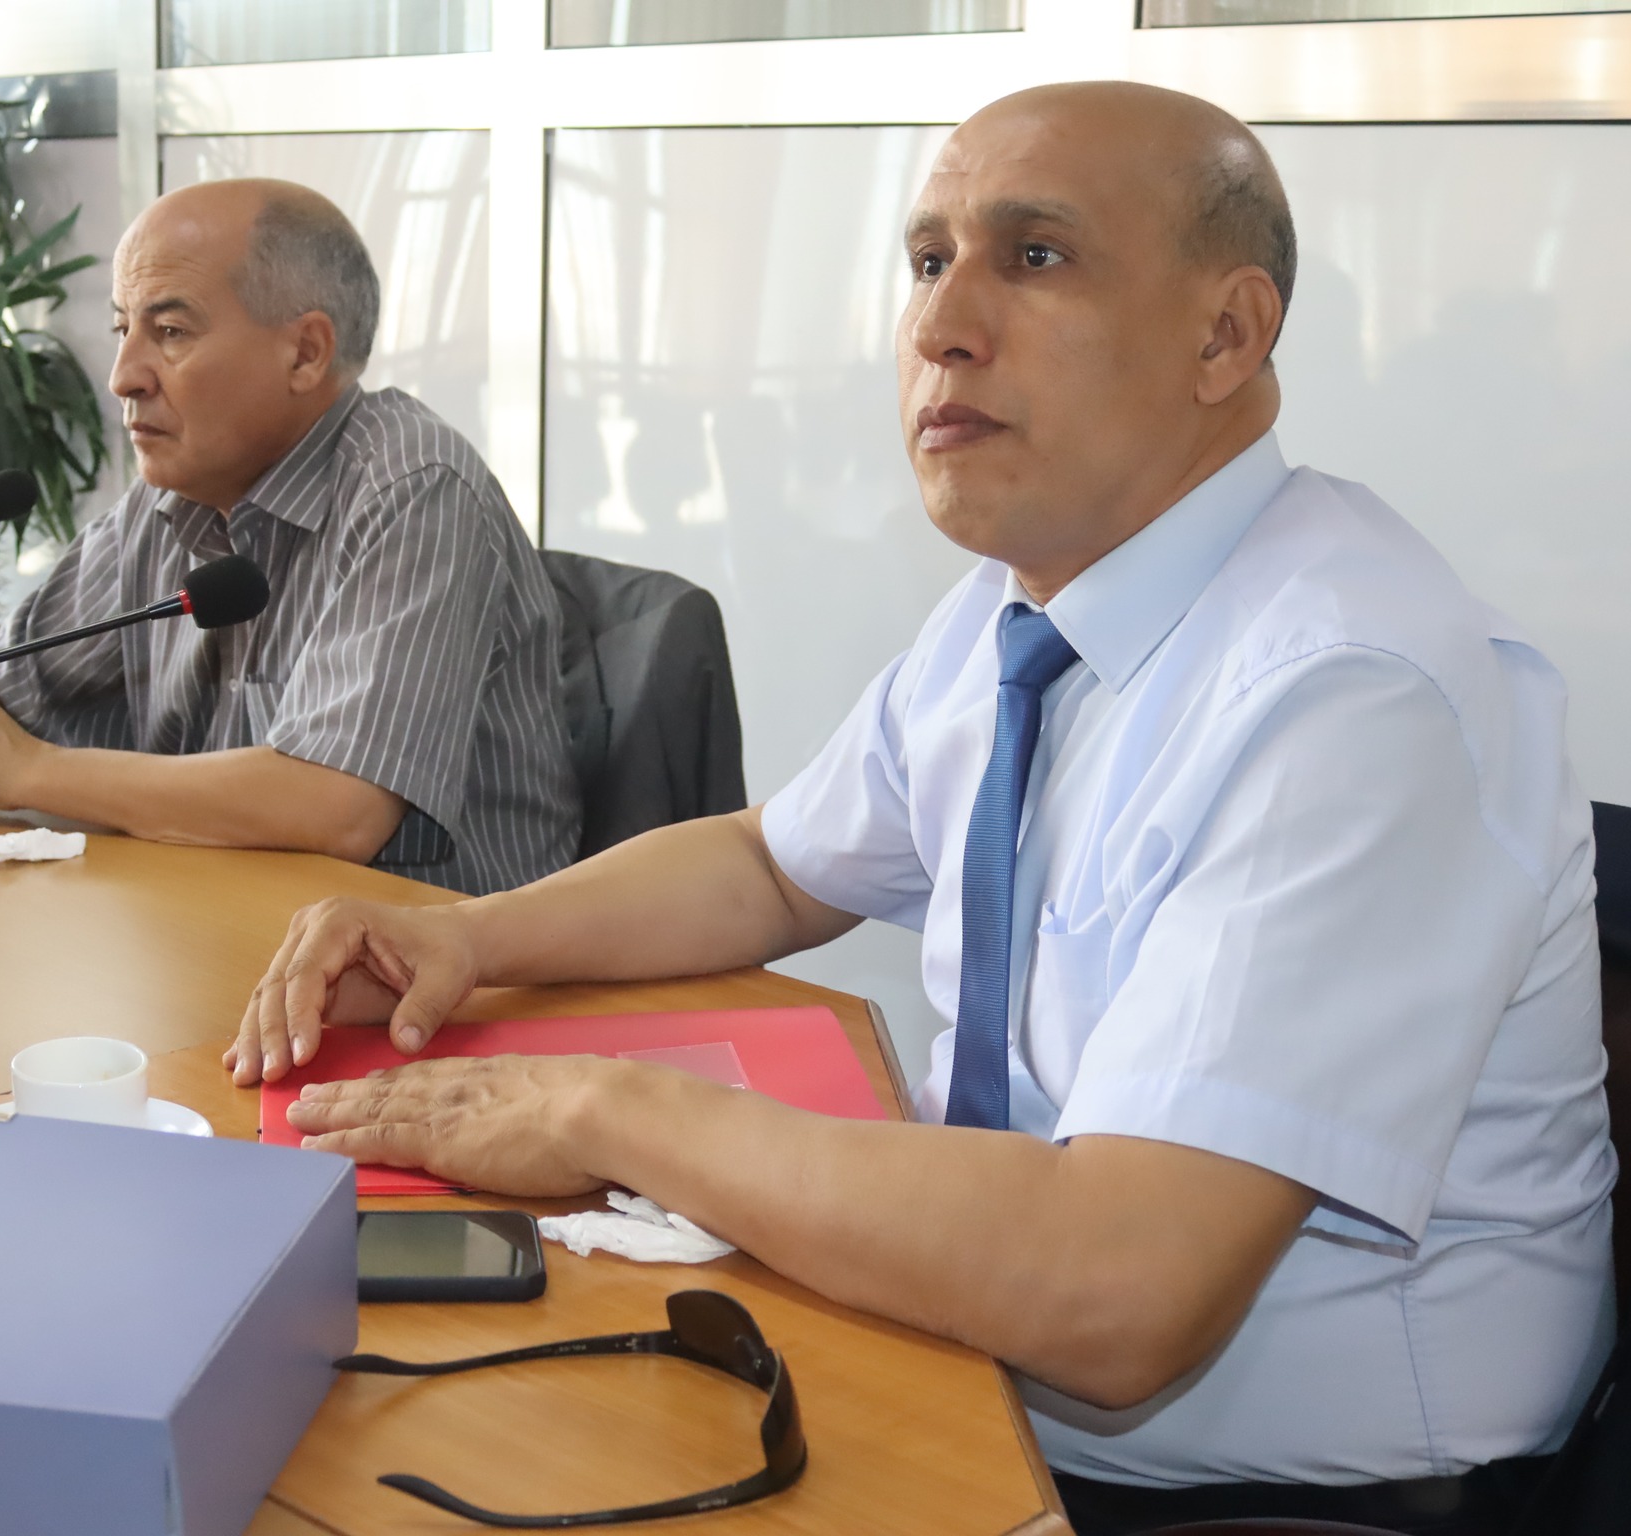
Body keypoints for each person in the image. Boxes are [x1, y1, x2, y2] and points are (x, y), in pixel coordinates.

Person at [223, 83, 1616, 1534]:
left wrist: (604, 1109)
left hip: (1282, 1496)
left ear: (1225, 334)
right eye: (928, 260)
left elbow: (1120, 1291)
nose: (940, 324)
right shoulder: (1021, 606)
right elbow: (771, 865)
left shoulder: (1350, 691)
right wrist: (466, 939)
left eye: (1035, 256)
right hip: (975, 1357)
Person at [0, 179, 580, 895]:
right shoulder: (169, 498)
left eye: (169, 332)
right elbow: (13, 679)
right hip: (229, 928)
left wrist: (28, 772)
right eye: (122, 328)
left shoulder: (414, 490)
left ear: (306, 353)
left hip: (455, 987)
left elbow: (338, 806)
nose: (124, 375)